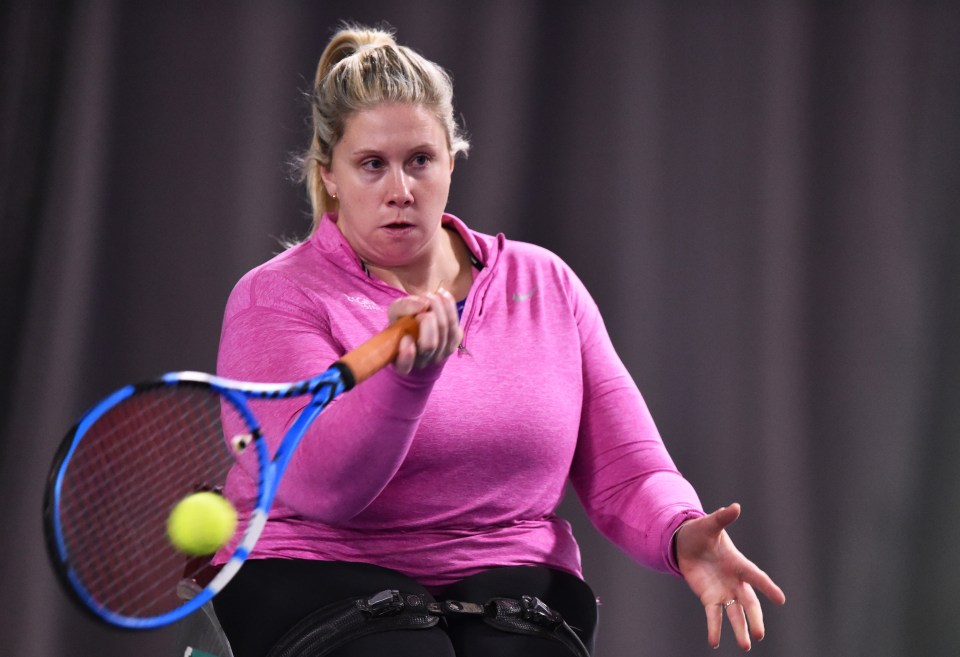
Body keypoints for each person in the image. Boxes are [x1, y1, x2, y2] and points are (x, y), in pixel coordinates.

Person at [210, 22, 785, 657]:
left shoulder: (545, 284)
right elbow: (322, 488)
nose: (400, 190)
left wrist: (680, 533)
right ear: (330, 176)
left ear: (451, 162)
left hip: (503, 572)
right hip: (310, 562)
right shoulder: (275, 298)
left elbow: (627, 471)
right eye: (372, 165)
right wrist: (409, 379)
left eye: (420, 161)